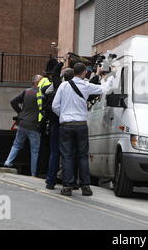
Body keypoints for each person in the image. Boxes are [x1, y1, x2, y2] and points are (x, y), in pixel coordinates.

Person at [52, 63, 115, 196]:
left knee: (67, 156)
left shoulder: (63, 86)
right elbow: (104, 88)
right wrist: (112, 75)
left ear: (74, 72)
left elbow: (55, 106)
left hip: (66, 125)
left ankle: (67, 186)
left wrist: (63, 115)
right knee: (82, 156)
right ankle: (85, 186)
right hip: (81, 124)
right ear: (84, 72)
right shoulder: (86, 86)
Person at [4, 75, 43, 176]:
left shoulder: (26, 92)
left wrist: (20, 113)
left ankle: (8, 162)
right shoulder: (41, 94)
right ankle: (33, 173)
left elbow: (13, 101)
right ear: (37, 82)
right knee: (34, 150)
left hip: (22, 123)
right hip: (34, 126)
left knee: (16, 144)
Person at [43, 63, 69, 190]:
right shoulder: (79, 89)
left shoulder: (59, 89)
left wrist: (60, 63)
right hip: (68, 125)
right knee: (68, 155)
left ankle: (50, 181)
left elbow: (54, 75)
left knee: (54, 154)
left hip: (55, 124)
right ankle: (68, 182)